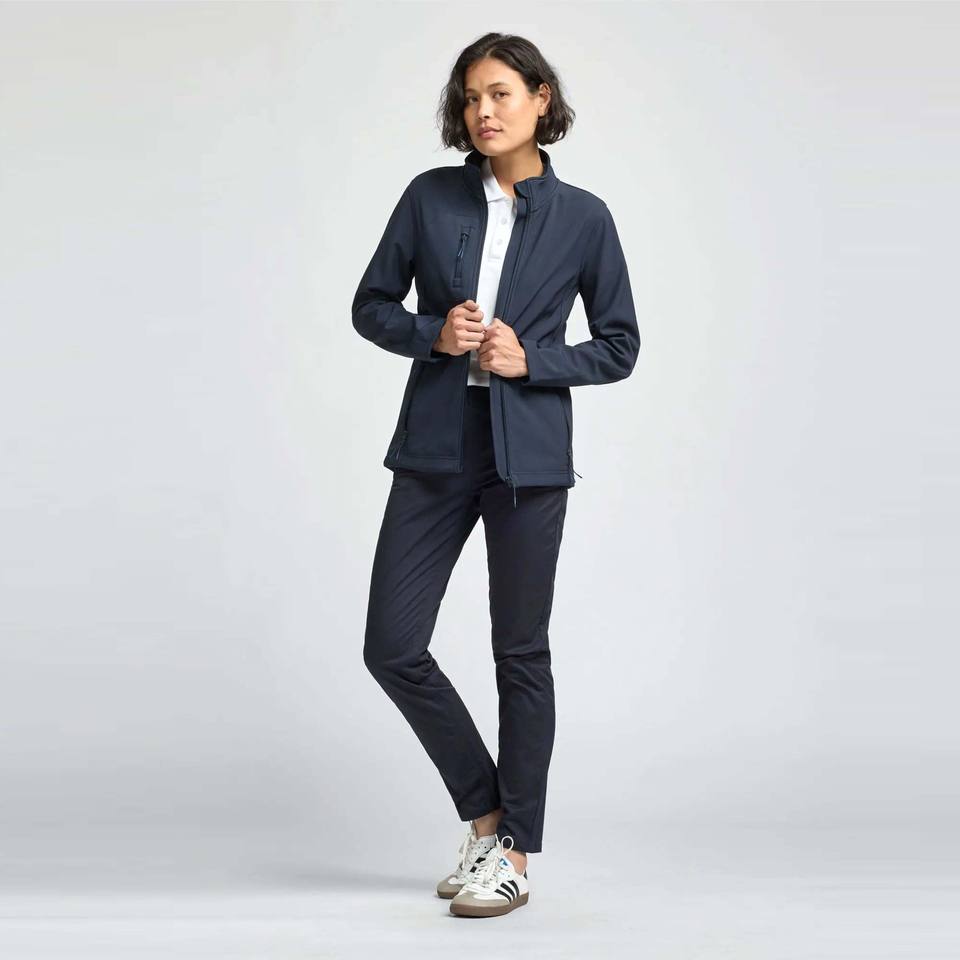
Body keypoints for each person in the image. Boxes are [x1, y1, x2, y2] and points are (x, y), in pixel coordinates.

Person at [352, 32, 640, 918]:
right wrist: (431, 334)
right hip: (436, 448)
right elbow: (370, 306)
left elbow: (620, 346)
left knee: (520, 651)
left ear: (541, 99)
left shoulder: (584, 217)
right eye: (472, 96)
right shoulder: (429, 197)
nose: (484, 110)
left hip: (529, 460)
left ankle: (512, 852)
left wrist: (534, 359)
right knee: (392, 645)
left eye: (502, 93)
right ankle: (487, 817)